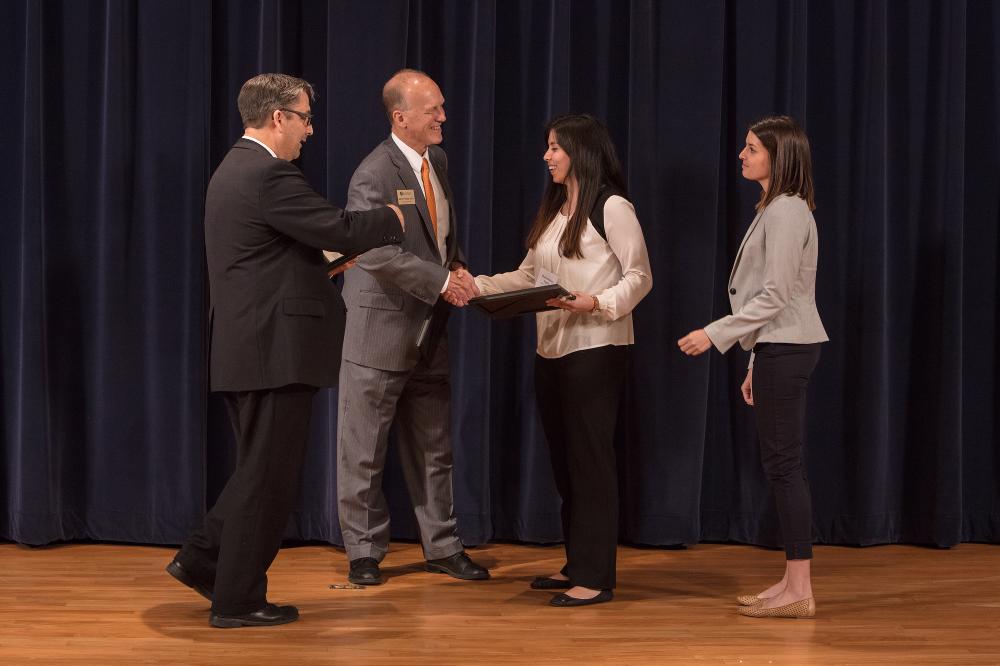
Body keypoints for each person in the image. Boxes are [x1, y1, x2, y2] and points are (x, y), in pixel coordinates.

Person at [166, 73, 404, 628]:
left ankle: (204, 561)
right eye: (304, 118)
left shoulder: (234, 170)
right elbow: (338, 227)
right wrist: (391, 218)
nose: (309, 130)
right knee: (266, 478)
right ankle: (236, 600)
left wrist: (322, 266)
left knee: (258, 471)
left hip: (253, 347)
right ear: (278, 117)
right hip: (272, 351)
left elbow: (270, 257)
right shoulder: (268, 173)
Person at [475, 114, 652, 606]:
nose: (547, 156)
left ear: (581, 151)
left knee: (590, 463)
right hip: (551, 352)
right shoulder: (556, 211)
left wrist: (596, 302)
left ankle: (594, 578)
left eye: (555, 147)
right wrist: (476, 286)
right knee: (566, 464)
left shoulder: (611, 206)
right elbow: (529, 277)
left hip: (595, 350)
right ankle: (578, 563)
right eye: (548, 146)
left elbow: (640, 276)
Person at [334, 69, 488, 586]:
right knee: (364, 449)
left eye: (442, 106)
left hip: (429, 328)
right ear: (401, 117)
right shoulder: (373, 174)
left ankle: (442, 546)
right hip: (379, 330)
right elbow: (373, 252)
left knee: (434, 446)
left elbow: (440, 234)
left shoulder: (435, 160)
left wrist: (456, 265)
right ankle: (363, 553)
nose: (444, 116)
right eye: (432, 110)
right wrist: (442, 281)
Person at [678, 115, 828, 619]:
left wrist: (715, 333)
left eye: (752, 148)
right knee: (781, 466)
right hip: (777, 349)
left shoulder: (786, 211)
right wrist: (753, 360)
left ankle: (800, 589)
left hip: (788, 348)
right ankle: (790, 582)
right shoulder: (777, 208)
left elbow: (776, 295)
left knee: (785, 467)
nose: (742, 155)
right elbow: (771, 300)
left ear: (777, 156)